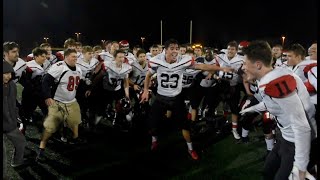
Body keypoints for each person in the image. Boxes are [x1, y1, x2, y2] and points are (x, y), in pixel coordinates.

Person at [140, 39, 233, 160]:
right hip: (161, 97)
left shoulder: (183, 60)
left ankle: (190, 149)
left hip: (176, 98)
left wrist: (221, 69)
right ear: (165, 50)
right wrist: (146, 90)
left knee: (185, 126)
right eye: (172, 48)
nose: (175, 51)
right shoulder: (156, 61)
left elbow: (201, 66)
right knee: (153, 124)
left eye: (177, 48)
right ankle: (154, 141)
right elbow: (148, 75)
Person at [240, 40, 316, 180]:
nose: (243, 67)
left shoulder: (276, 82)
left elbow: (302, 126)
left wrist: (300, 165)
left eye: (245, 63)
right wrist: (252, 109)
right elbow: (273, 104)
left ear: (258, 65)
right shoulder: (271, 77)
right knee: (268, 171)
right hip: (285, 137)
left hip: (298, 142)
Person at [36, 49, 84, 161]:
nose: (75, 59)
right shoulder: (59, 67)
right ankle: (41, 147)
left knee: (75, 121)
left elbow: (77, 86)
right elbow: (45, 81)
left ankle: (74, 138)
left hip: (72, 101)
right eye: (73, 56)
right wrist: (47, 96)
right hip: (57, 101)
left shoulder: (79, 69)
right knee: (50, 126)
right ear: (66, 57)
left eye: (76, 57)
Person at [3, 61, 28, 176]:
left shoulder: (12, 85)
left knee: (21, 142)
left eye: (10, 73)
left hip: (10, 122)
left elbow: (13, 103)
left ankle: (17, 162)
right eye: (5, 73)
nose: (8, 76)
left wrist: (16, 117)